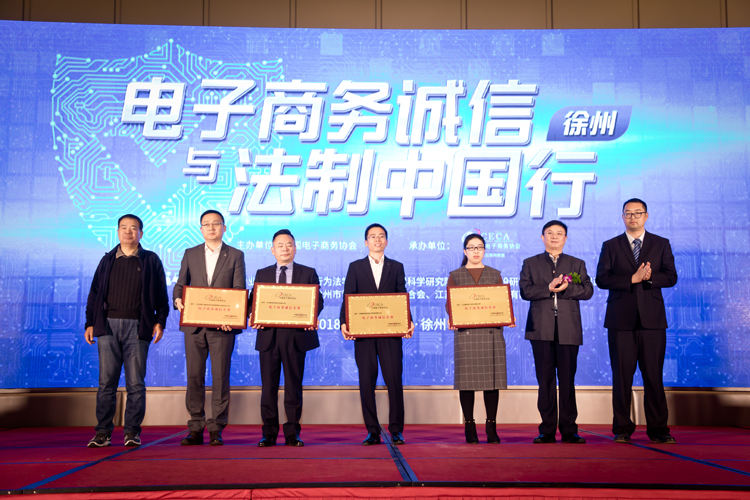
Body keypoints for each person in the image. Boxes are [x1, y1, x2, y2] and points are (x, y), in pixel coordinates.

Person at [596, 198, 678, 444]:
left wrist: (649, 279)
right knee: (622, 377)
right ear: (623, 217)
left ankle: (659, 429)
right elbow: (602, 279)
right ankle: (622, 429)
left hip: (652, 320)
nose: (633, 217)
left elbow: (671, 276)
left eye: (637, 213)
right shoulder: (611, 245)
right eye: (628, 213)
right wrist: (632, 279)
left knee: (653, 376)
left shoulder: (661, 243)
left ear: (646, 216)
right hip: (620, 320)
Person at [84, 214, 169, 448]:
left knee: (135, 384)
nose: (128, 232)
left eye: (133, 228)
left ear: (141, 233)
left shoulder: (151, 260)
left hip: (138, 327)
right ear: (117, 232)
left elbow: (161, 296)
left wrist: (159, 321)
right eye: (123, 228)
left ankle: (132, 432)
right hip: (107, 327)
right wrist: (89, 323)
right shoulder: (107, 260)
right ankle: (103, 433)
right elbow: (94, 294)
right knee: (106, 384)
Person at [173, 210, 246, 446]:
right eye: (206, 224)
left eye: (216, 223)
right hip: (194, 326)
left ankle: (216, 428)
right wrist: (177, 299)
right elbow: (181, 284)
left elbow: (238, 290)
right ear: (201, 229)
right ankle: (195, 427)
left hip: (222, 328)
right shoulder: (190, 253)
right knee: (194, 376)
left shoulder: (235, 255)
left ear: (224, 228)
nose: (211, 227)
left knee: (220, 377)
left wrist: (232, 316)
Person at [519, 220, 593, 444]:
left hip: (569, 328)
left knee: (568, 380)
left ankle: (570, 430)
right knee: (545, 380)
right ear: (542, 237)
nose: (554, 236)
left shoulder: (576, 263)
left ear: (565, 238)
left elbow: (588, 290)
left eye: (559, 233)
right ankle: (547, 430)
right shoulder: (530, 263)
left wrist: (568, 288)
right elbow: (525, 291)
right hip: (540, 328)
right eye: (549, 233)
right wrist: (547, 288)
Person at [340, 223, 414, 446]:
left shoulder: (396, 266)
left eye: (381, 236)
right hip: (364, 335)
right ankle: (372, 431)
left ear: (387, 241)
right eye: (373, 236)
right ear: (366, 242)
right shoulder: (355, 267)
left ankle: (396, 430)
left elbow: (401, 294)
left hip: (390, 334)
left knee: (394, 382)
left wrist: (408, 321)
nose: (377, 240)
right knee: (366, 382)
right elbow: (348, 295)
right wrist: (344, 322)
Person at [250, 229, 324, 447]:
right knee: (268, 387)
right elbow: (253, 301)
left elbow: (318, 300)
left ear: (295, 248)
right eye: (280, 245)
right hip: (269, 336)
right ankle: (269, 433)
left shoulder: (308, 272)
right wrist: (253, 314)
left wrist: (311, 315)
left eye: (289, 244)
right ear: (272, 250)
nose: (285, 248)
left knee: (294, 386)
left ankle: (292, 433)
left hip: (296, 337)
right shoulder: (262, 273)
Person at [446, 233, 507, 444]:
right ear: (465, 251)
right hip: (466, 334)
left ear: (484, 250)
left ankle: (491, 426)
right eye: (471, 247)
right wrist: (453, 316)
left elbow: (502, 303)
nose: (475, 251)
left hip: (491, 334)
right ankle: (469, 426)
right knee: (467, 383)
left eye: (479, 247)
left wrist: (507, 315)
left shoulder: (495, 274)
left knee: (492, 382)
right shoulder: (455, 275)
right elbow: (450, 304)